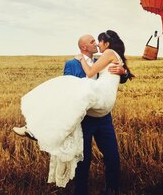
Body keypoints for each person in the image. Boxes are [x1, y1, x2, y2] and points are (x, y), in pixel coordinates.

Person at [13, 30, 133, 193]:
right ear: (84, 47)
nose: (96, 44)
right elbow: (67, 90)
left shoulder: (102, 59)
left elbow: (118, 75)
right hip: (84, 119)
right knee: (83, 159)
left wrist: (123, 72)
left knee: (112, 155)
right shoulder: (72, 63)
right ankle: (80, 191)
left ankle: (112, 189)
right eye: (92, 42)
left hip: (103, 117)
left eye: (96, 41)